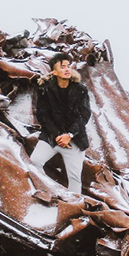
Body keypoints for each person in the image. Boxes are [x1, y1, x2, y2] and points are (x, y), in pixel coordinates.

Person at [30, 53, 91, 195]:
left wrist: (69, 135)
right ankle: (45, 193)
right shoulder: (45, 89)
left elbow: (84, 115)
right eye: (62, 67)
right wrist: (58, 135)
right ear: (54, 72)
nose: (67, 69)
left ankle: (73, 204)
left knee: (75, 177)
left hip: (74, 138)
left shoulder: (80, 90)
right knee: (35, 162)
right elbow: (42, 115)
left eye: (68, 66)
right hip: (52, 136)